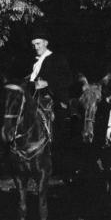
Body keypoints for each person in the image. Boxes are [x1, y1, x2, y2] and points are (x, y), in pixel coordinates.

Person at [28, 25, 73, 175]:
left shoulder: (57, 59)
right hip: (34, 100)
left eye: (38, 44)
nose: (35, 47)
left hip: (52, 100)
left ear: (46, 43)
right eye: (33, 45)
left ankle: (58, 157)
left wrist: (47, 83)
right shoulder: (34, 62)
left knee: (58, 123)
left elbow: (67, 79)